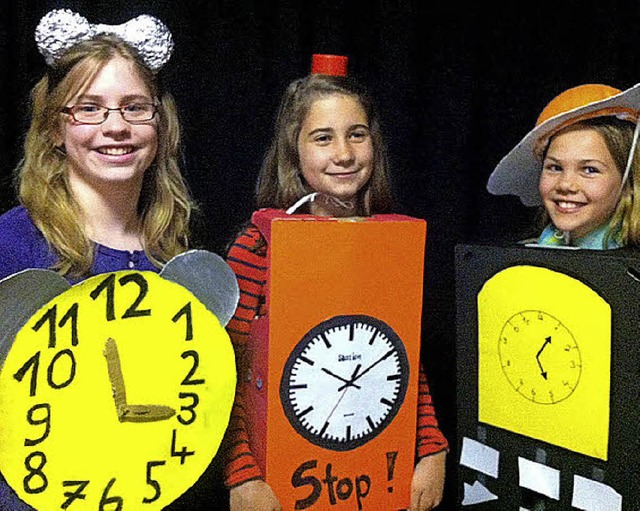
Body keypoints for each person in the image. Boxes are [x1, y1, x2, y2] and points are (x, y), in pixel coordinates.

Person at [223, 57, 448, 511]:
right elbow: (228, 369)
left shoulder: (391, 241)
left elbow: (402, 358)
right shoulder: (257, 246)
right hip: (280, 478)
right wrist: (240, 474)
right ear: (295, 151)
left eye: (356, 134)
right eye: (323, 138)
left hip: (370, 472)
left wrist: (430, 446)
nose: (343, 154)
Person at [0, 9, 194, 509]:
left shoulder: (171, 258)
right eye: (88, 108)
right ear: (54, 130)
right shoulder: (13, 245)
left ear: (159, 123)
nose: (116, 127)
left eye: (134, 107)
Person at [487, 83, 640, 249]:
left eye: (589, 170)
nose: (565, 185)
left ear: (629, 181)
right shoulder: (523, 253)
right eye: (555, 167)